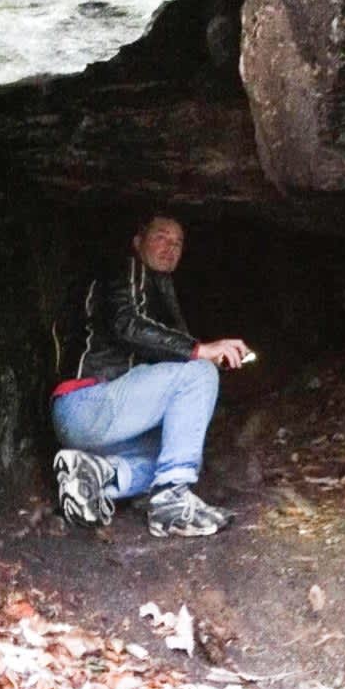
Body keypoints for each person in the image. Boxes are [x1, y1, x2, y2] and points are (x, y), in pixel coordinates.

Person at [50, 214, 252, 538]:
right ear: (137, 241)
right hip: (89, 400)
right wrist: (200, 350)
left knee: (175, 449)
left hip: (94, 423)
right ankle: (171, 501)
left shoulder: (158, 292)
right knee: (199, 372)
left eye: (178, 242)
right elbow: (126, 325)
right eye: (161, 237)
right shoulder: (125, 268)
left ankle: (96, 475)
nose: (170, 247)